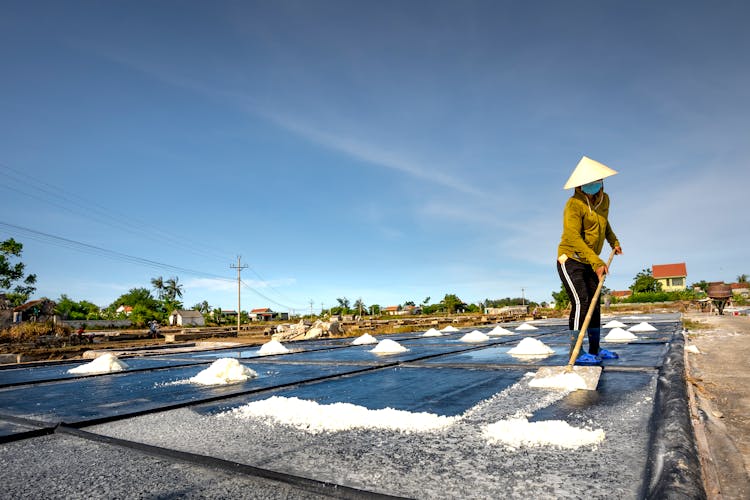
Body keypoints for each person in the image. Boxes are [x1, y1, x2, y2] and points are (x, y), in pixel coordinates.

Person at [557, 156, 623, 364]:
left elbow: (604, 223)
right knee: (582, 301)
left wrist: (614, 241)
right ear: (580, 185)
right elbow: (573, 237)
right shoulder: (573, 204)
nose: (593, 185)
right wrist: (596, 262)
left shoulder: (605, 200)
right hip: (571, 259)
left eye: (596, 181)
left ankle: (595, 349)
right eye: (588, 183)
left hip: (590, 260)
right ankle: (576, 352)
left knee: (594, 306)